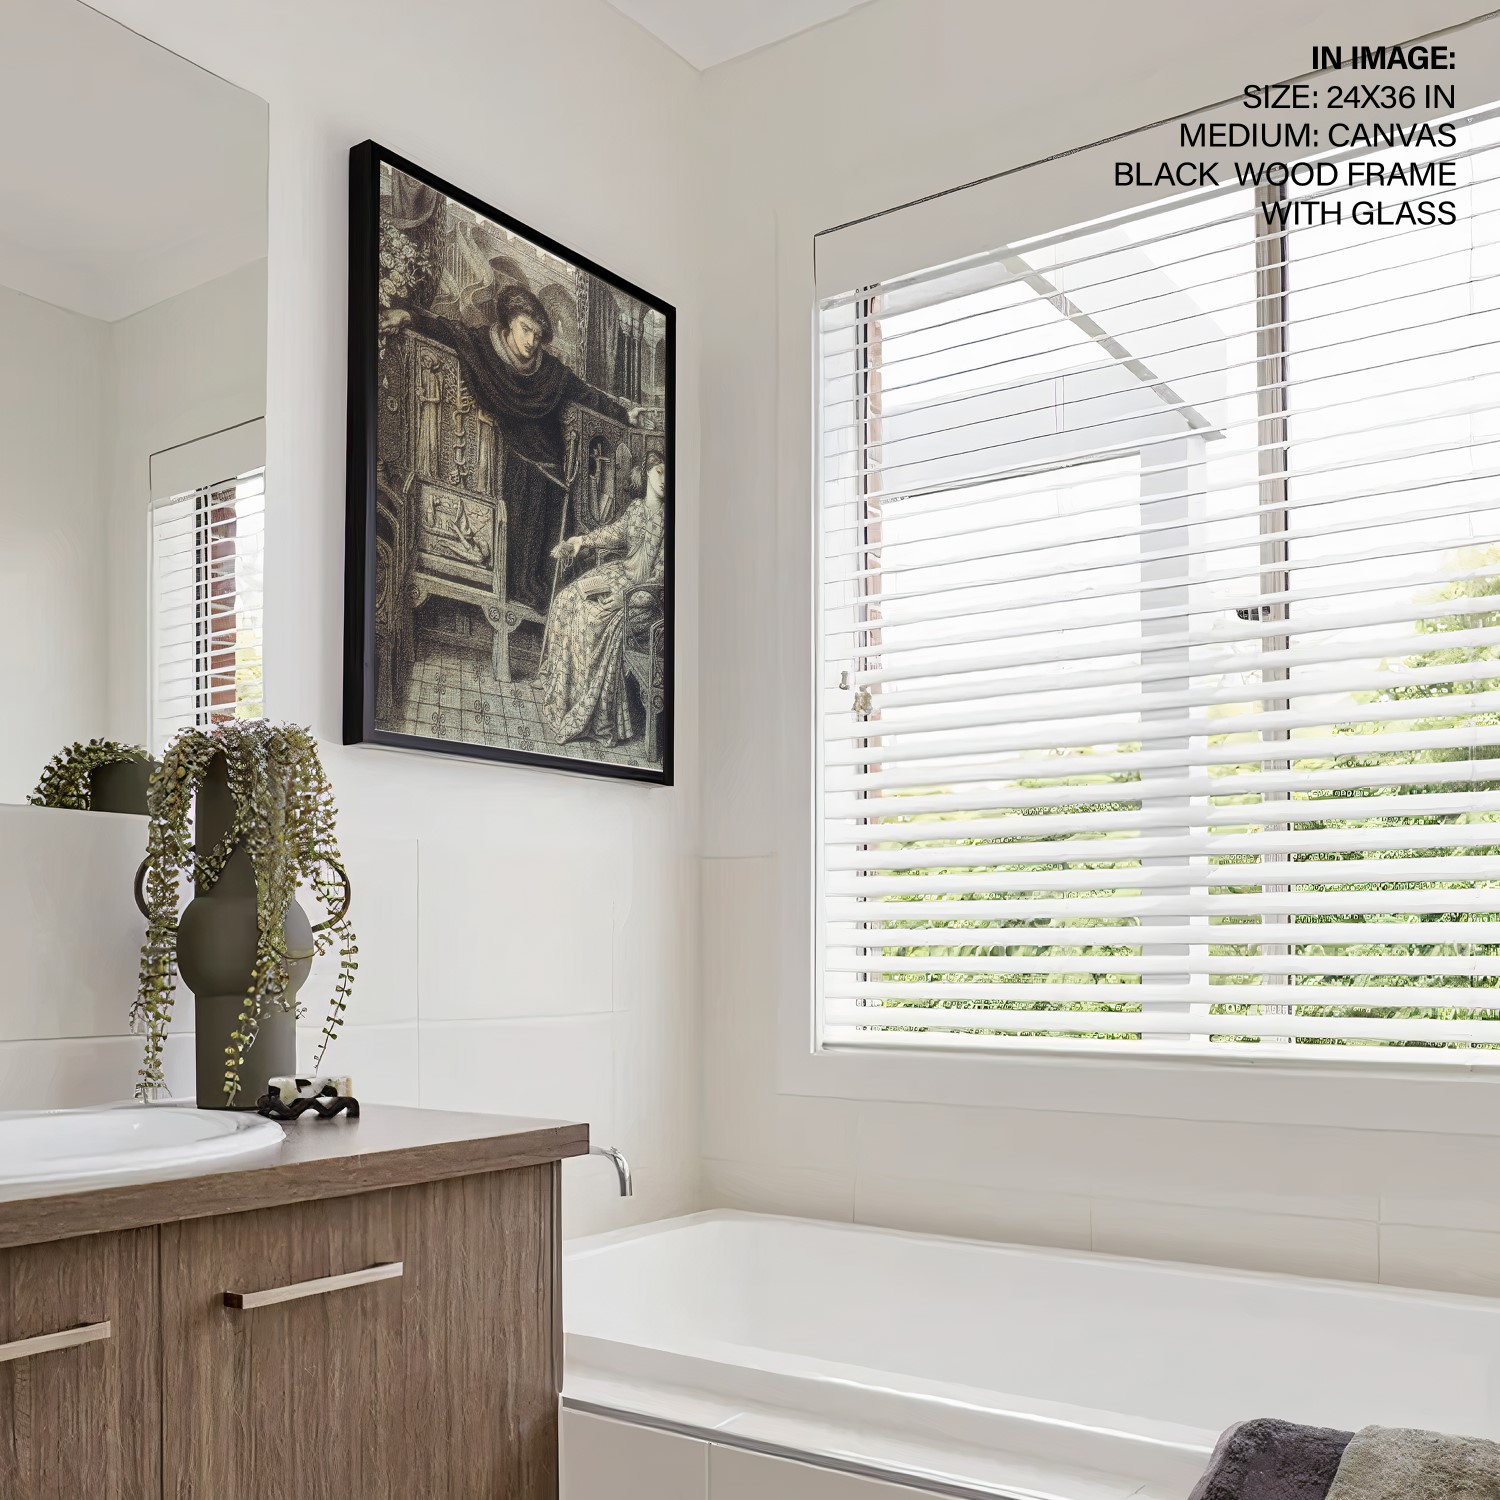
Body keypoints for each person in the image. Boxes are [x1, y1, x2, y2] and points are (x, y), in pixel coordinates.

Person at [381, 283, 646, 623]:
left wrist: (624, 414)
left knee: (548, 531)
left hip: (549, 461)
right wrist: (408, 316)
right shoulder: (485, 347)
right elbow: (448, 331)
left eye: (537, 334)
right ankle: (518, 588)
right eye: (525, 329)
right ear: (509, 324)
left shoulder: (548, 371)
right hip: (510, 458)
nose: (531, 341)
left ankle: (543, 595)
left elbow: (584, 393)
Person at [536, 452, 667, 748]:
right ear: (647, 473)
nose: (665, 480)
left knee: (592, 619)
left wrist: (625, 599)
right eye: (660, 472)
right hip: (619, 573)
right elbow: (613, 534)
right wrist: (581, 541)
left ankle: (590, 715)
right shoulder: (635, 509)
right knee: (566, 599)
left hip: (643, 595)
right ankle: (560, 688)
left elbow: (661, 580)